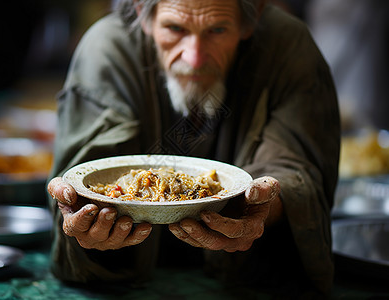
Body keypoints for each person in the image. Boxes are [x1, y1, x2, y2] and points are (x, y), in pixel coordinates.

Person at [47, 0, 340, 297]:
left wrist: (261, 206)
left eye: (217, 29)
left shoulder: (287, 47)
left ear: (251, 20)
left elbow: (294, 169)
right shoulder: (107, 47)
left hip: (249, 282)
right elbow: (85, 177)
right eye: (175, 28)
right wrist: (84, 213)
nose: (194, 58)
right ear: (142, 14)